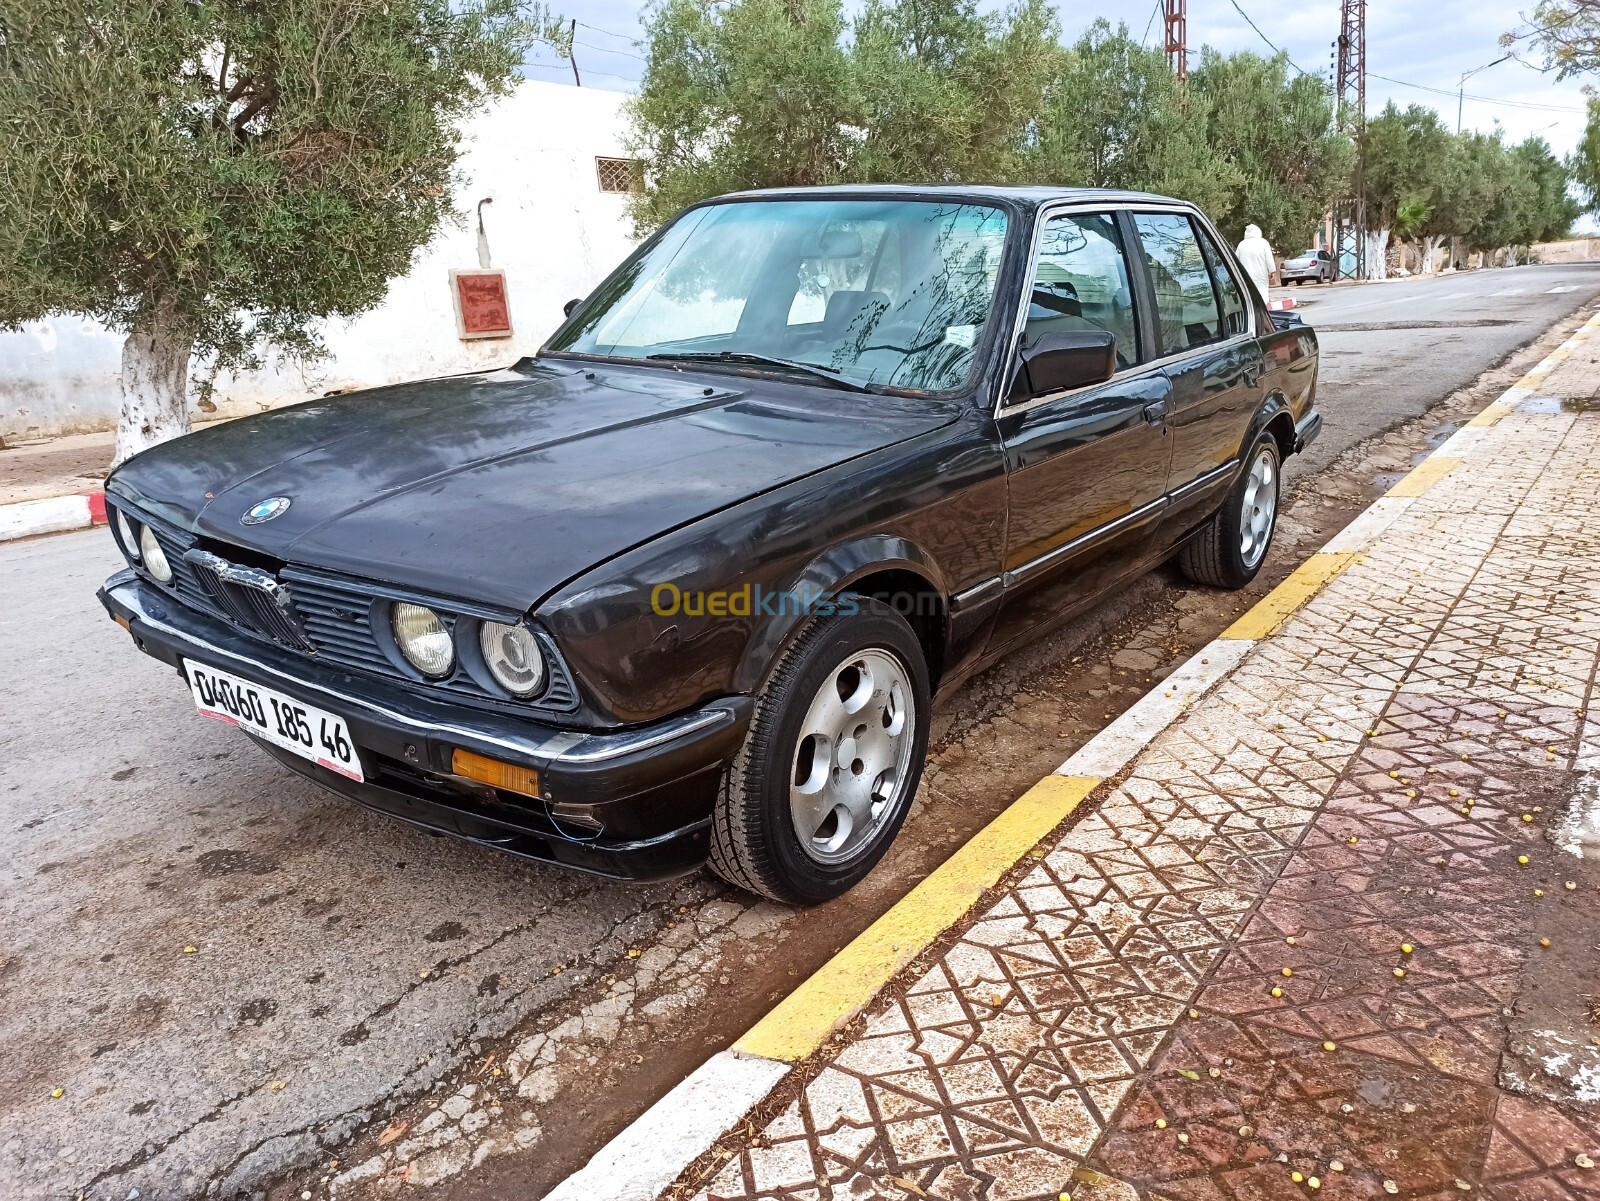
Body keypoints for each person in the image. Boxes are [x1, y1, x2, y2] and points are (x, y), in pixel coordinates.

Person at [1235, 223, 1278, 301]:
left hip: (1245, 275)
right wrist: (1272, 271)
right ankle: (1262, 310)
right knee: (1262, 292)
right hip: (1260, 274)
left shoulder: (1241, 244)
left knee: (1248, 294)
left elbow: (1236, 260)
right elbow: (1269, 259)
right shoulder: (1263, 243)